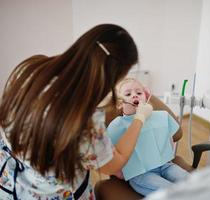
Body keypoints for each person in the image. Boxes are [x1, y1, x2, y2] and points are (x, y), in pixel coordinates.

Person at [0, 24, 153, 199]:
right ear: (114, 76)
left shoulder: (29, 68)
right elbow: (114, 164)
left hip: (7, 181)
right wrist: (140, 117)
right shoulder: (85, 123)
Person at [106, 78, 189, 196]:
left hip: (165, 166)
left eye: (139, 93)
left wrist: (166, 157)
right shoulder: (116, 126)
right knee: (171, 191)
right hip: (140, 173)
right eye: (128, 94)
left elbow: (169, 138)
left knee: (191, 182)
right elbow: (108, 154)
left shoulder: (161, 116)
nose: (135, 95)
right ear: (119, 103)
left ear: (146, 96)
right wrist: (120, 173)